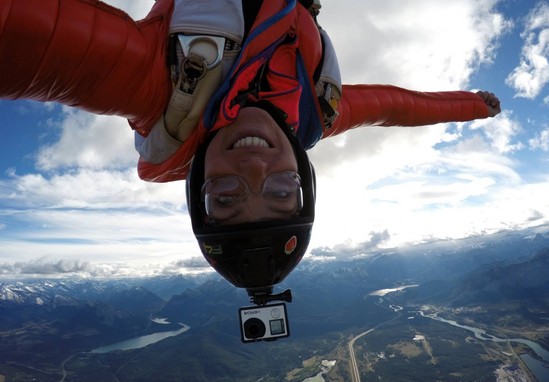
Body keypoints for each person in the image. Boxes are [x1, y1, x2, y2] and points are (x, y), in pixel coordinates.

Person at [0, 0, 501, 299]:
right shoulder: (314, 116)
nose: (256, 167)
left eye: (226, 197)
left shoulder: (154, 87)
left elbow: (27, 39)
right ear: (304, 181)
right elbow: (396, 107)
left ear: (198, 187)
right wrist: (475, 106)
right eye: (282, 191)